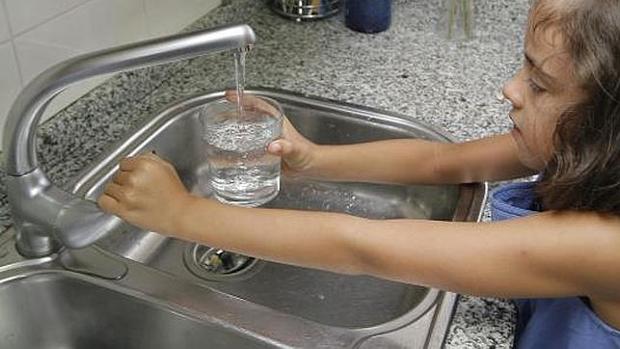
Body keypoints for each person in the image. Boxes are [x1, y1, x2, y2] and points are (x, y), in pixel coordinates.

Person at [97, 0, 620, 347]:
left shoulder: (604, 246)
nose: (510, 87)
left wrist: (182, 213)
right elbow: (444, 162)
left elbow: (362, 247)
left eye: (541, 83)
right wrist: (314, 158)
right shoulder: (580, 147)